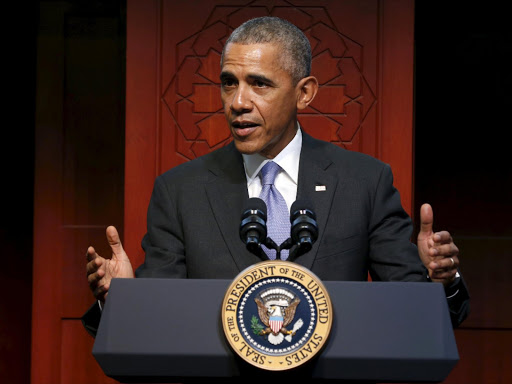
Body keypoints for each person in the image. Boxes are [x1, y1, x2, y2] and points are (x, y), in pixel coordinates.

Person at [84, 16, 469, 335]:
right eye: (229, 83)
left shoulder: (364, 183)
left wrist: (439, 284)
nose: (238, 102)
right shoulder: (180, 190)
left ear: (304, 93)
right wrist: (120, 297)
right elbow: (156, 323)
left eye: (259, 84)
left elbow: (425, 320)